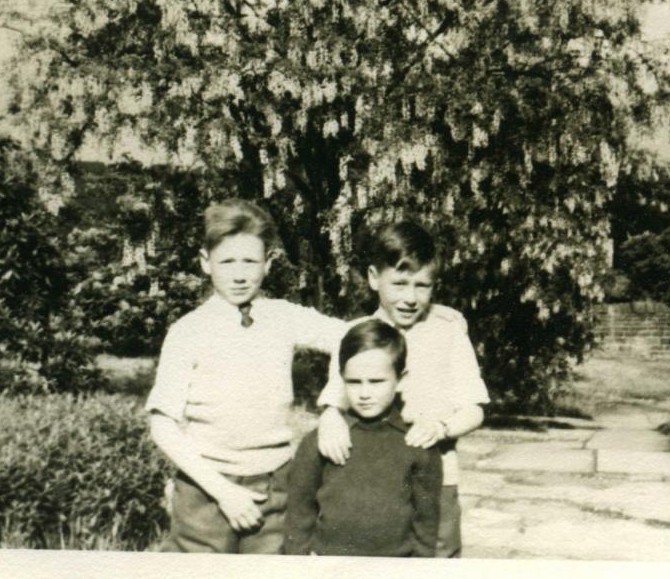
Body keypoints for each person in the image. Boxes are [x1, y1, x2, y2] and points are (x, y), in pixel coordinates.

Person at [146, 199, 347, 554]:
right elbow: (162, 424)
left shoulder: (282, 317)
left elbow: (355, 340)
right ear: (205, 262)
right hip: (204, 491)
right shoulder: (188, 331)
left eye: (250, 261)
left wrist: (332, 408)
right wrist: (222, 491)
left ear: (268, 262)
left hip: (275, 485)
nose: (239, 275)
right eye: (226, 261)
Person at [316, 221, 489, 557]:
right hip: (373, 480)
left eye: (422, 286)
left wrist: (442, 427)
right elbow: (334, 401)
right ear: (372, 278)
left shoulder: (448, 330)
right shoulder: (356, 334)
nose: (410, 298)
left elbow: (475, 408)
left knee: (437, 561)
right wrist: (330, 419)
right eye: (398, 283)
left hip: (437, 480)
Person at [283, 320, 443, 557]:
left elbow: (426, 524)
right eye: (354, 382)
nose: (365, 393)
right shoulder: (321, 441)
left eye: (376, 382)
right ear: (342, 378)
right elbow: (299, 514)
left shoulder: (417, 443)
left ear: (401, 379)